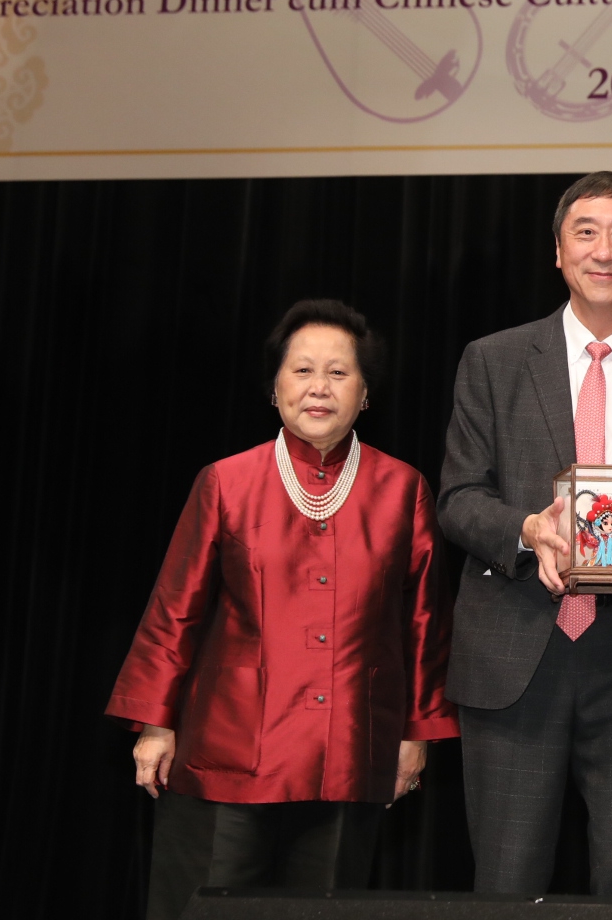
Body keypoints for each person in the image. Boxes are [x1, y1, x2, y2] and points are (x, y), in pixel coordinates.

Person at [107, 299, 457, 920]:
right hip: (229, 748)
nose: (319, 387)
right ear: (275, 388)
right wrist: (155, 724)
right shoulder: (226, 481)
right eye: (301, 371)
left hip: (351, 748)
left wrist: (415, 733)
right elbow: (174, 609)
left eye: (339, 372)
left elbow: (423, 622)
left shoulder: (403, 489)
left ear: (366, 393)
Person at [437, 171, 612, 897]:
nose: (605, 250)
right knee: (505, 883)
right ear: (557, 252)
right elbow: (459, 499)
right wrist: (528, 529)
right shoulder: (493, 361)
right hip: (515, 654)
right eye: (586, 233)